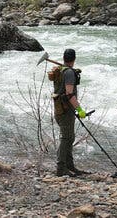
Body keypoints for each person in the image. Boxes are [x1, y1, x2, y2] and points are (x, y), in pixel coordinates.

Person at [51, 48, 90, 176]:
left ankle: (70, 166)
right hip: (66, 110)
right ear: (74, 59)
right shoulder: (68, 73)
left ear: (64, 58)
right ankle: (61, 168)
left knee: (69, 137)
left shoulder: (61, 70)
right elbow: (69, 94)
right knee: (66, 138)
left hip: (60, 109)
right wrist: (80, 109)